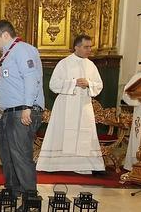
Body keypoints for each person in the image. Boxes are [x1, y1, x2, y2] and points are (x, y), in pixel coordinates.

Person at [0, 20, 44, 195]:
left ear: (5, 35)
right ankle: (12, 190)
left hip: (22, 111)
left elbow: (31, 78)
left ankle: (30, 197)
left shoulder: (22, 50)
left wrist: (28, 106)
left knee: (21, 155)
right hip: (9, 112)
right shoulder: (7, 56)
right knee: (6, 153)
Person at [36, 35, 105, 175]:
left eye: (90, 47)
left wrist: (89, 84)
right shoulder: (64, 63)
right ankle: (55, 164)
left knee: (84, 133)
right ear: (76, 47)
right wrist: (73, 82)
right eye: (86, 47)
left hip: (84, 105)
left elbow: (99, 85)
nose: (89, 50)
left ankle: (85, 165)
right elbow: (53, 84)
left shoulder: (91, 65)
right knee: (62, 131)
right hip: (65, 105)